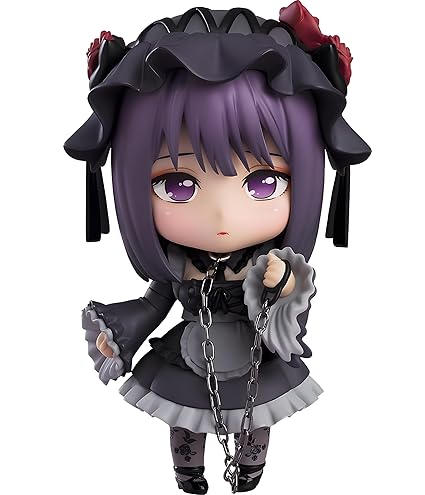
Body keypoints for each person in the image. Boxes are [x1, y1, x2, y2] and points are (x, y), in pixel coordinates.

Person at [64, 4, 371, 493]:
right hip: (188, 356)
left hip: (255, 357)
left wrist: (281, 287)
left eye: (264, 182)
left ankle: (250, 469)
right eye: (178, 185)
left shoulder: (271, 264)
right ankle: (188, 471)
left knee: (258, 418)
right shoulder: (178, 266)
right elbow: (153, 303)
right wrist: (119, 333)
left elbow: (294, 308)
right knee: (184, 418)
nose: (222, 215)